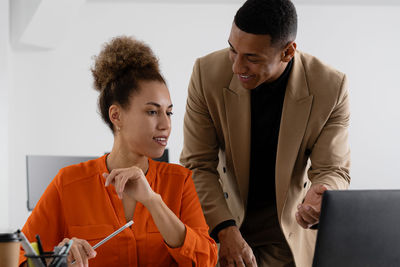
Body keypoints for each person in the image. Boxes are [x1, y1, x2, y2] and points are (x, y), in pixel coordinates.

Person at [19, 36, 218, 267]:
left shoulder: (180, 182)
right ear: (116, 116)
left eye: (169, 112)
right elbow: (22, 259)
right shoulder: (68, 183)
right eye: (152, 112)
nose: (165, 124)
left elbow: (206, 260)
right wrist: (60, 256)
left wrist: (153, 202)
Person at [180, 0, 351, 266]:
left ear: (287, 52)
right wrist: (224, 229)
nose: (237, 67)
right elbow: (197, 164)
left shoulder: (331, 87)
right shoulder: (206, 73)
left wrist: (324, 192)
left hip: (286, 233)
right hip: (221, 222)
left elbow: (334, 168)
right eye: (232, 50)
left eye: (252, 58)